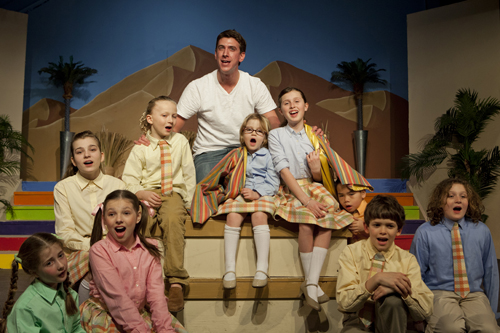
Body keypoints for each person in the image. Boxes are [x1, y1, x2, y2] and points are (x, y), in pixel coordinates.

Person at [268, 86, 372, 310]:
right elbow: (283, 170)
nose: (292, 106)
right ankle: (312, 285)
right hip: (292, 188)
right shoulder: (275, 135)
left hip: (315, 186)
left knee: (326, 220)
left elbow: (323, 174)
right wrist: (306, 200)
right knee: (307, 221)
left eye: (297, 101)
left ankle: (311, 284)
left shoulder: (315, 136)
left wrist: (316, 169)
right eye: (286, 103)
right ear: (281, 110)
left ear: (305, 106)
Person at [175, 29, 280, 182]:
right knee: (206, 193)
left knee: (257, 189)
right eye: (221, 48)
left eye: (232, 49)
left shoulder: (254, 85)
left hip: (246, 150)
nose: (225, 53)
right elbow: (176, 123)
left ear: (241, 56)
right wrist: (153, 139)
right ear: (215, 54)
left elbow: (272, 118)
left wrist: (280, 139)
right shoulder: (198, 87)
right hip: (208, 153)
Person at [122, 95, 195, 312]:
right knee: (142, 224)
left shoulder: (180, 142)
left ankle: (175, 281)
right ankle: (141, 282)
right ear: (150, 119)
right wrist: (142, 192)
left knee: (172, 219)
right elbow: (129, 179)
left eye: (173, 115)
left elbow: (189, 174)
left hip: (172, 193)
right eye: (164, 115)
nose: (170, 119)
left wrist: (189, 204)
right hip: (146, 194)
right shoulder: (141, 147)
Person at [191, 113, 280, 289]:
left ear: (265, 137)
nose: (254, 134)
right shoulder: (236, 155)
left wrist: (257, 193)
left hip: (263, 194)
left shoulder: (269, 156)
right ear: (242, 134)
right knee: (232, 215)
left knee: (259, 215)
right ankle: (230, 270)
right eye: (249, 130)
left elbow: (274, 182)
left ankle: (262, 270)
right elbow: (223, 174)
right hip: (240, 193)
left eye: (259, 131)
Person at [80, 190, 186, 333]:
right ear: (104, 219)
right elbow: (117, 299)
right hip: (108, 313)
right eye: (111, 214)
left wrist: (164, 329)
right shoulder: (99, 251)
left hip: (139, 313)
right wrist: (140, 330)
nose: (119, 219)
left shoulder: (151, 248)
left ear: (138, 216)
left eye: (126, 213)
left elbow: (156, 296)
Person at [410, 178, 499, 332]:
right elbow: (416, 275)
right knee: (452, 328)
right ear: (440, 201)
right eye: (451, 196)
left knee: (488, 329)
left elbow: (491, 272)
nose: (458, 200)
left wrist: (491, 311)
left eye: (463, 196)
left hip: (474, 294)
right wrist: (418, 314)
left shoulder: (482, 230)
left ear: (469, 201)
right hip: (439, 294)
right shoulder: (425, 232)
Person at [337, 195, 433, 332]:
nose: (383, 231)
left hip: (394, 324)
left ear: (398, 230)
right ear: (366, 227)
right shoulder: (351, 252)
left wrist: (400, 290)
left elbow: (425, 310)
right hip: (357, 322)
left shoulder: (407, 260)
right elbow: (345, 303)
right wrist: (376, 280)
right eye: (376, 225)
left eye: (390, 226)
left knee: (393, 300)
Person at [54, 130, 125, 304]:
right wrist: (95, 246)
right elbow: (65, 233)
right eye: (79, 152)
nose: (86, 154)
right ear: (73, 161)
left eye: (92, 149)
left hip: (116, 248)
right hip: (80, 252)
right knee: (93, 259)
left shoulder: (118, 185)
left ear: (101, 156)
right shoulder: (63, 188)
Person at [1, 233, 84, 333]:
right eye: (49, 263)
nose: (61, 265)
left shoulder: (70, 294)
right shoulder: (26, 308)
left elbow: (75, 328)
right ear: (34, 272)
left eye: (61, 255)